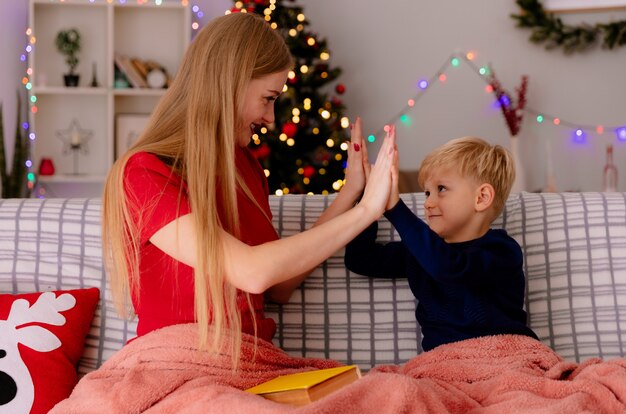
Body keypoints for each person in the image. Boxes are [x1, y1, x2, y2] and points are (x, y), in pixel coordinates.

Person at [102, 12, 396, 368]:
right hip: (178, 364)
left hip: (252, 363)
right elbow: (252, 271)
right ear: (230, 85)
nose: (271, 118)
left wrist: (351, 194)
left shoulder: (247, 168)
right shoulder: (145, 172)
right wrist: (367, 212)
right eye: (268, 98)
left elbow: (278, 286)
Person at [345, 136, 539, 352]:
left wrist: (396, 208)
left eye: (442, 189)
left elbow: (448, 267)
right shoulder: (420, 251)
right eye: (427, 193)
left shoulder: (502, 250)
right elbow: (360, 259)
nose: (428, 203)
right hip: (445, 363)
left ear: (482, 197)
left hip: (506, 355)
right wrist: (368, 200)